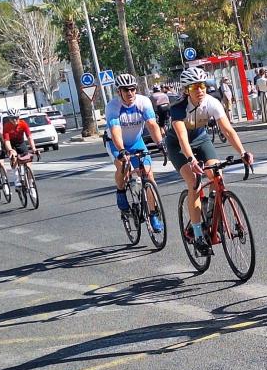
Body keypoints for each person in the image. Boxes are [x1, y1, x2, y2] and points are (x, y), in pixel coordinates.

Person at [165, 67, 254, 256]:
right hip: (178, 145)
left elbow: (227, 130)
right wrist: (191, 160)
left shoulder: (212, 102)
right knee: (194, 183)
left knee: (217, 174)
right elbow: (182, 138)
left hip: (201, 139)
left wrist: (243, 152)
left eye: (202, 85)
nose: (200, 90)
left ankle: (211, 210)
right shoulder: (178, 107)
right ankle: (197, 234)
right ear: (186, 90)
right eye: (194, 87)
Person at [104, 74, 165, 232]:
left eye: (132, 89)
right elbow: (115, 130)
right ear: (119, 91)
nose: (130, 93)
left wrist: (160, 143)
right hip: (115, 143)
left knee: (149, 176)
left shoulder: (143, 102)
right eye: (126, 90)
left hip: (137, 142)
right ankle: (121, 191)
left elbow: (152, 124)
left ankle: (153, 214)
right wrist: (121, 150)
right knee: (123, 168)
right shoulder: (112, 106)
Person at [2, 108, 39, 190]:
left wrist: (33, 148)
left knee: (28, 164)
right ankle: (17, 180)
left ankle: (31, 184)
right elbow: (7, 141)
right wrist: (10, 150)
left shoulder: (23, 123)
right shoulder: (6, 126)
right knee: (14, 157)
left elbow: (29, 137)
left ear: (19, 117)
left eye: (16, 117)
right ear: (9, 119)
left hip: (21, 143)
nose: (15, 120)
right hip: (11, 144)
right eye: (12, 118)